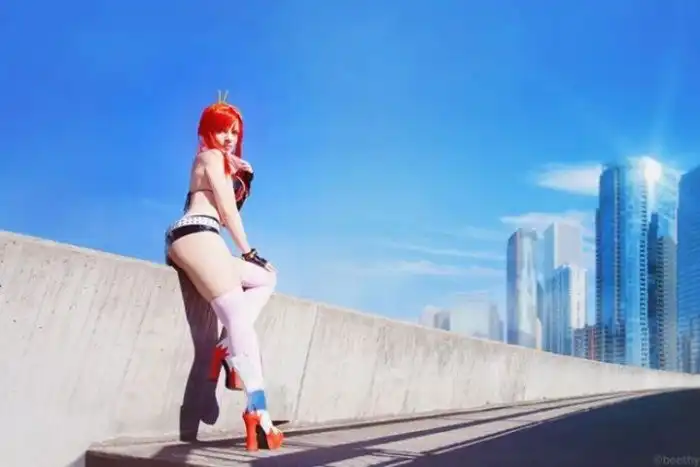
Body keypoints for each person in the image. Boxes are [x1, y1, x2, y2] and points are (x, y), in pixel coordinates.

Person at [164, 91, 283, 451]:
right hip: (195, 233)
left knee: (266, 277)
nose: (229, 138)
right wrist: (249, 252)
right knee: (238, 317)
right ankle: (258, 411)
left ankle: (224, 346)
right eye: (221, 130)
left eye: (234, 132)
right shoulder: (210, 156)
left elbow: (229, 210)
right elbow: (227, 212)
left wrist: (245, 179)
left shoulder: (221, 161)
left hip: (207, 237)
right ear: (206, 132)